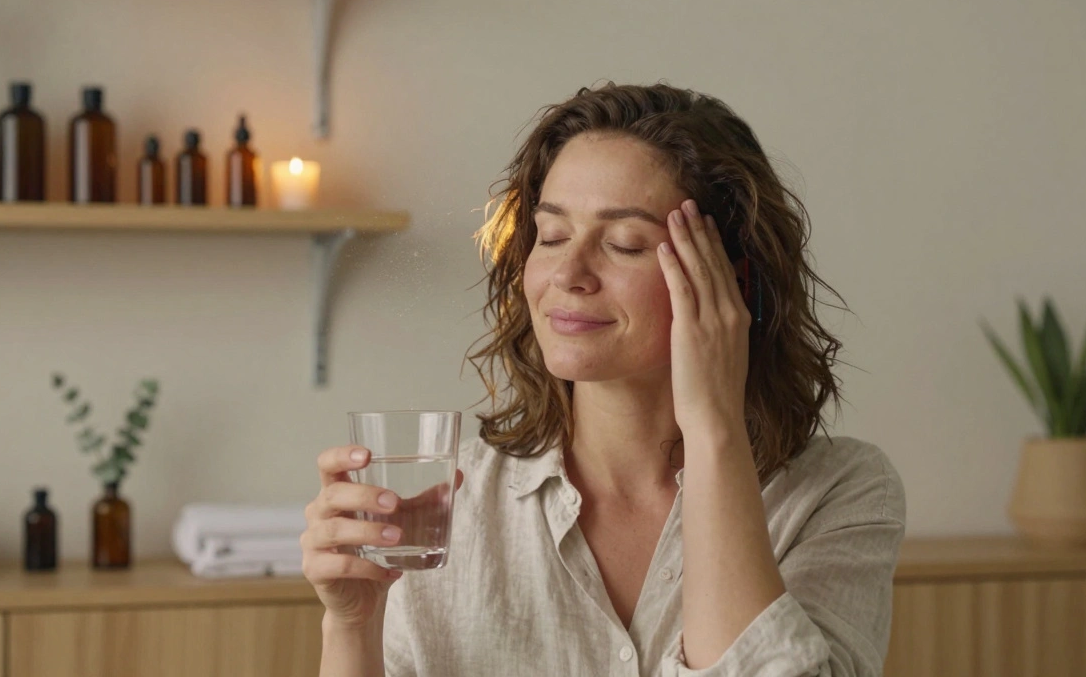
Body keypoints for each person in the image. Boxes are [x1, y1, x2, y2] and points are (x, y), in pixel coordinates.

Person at [303, 82, 906, 677]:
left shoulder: (839, 493)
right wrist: (352, 625)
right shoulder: (442, 509)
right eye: (553, 235)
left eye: (624, 244)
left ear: (730, 280)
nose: (569, 272)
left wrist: (713, 428)